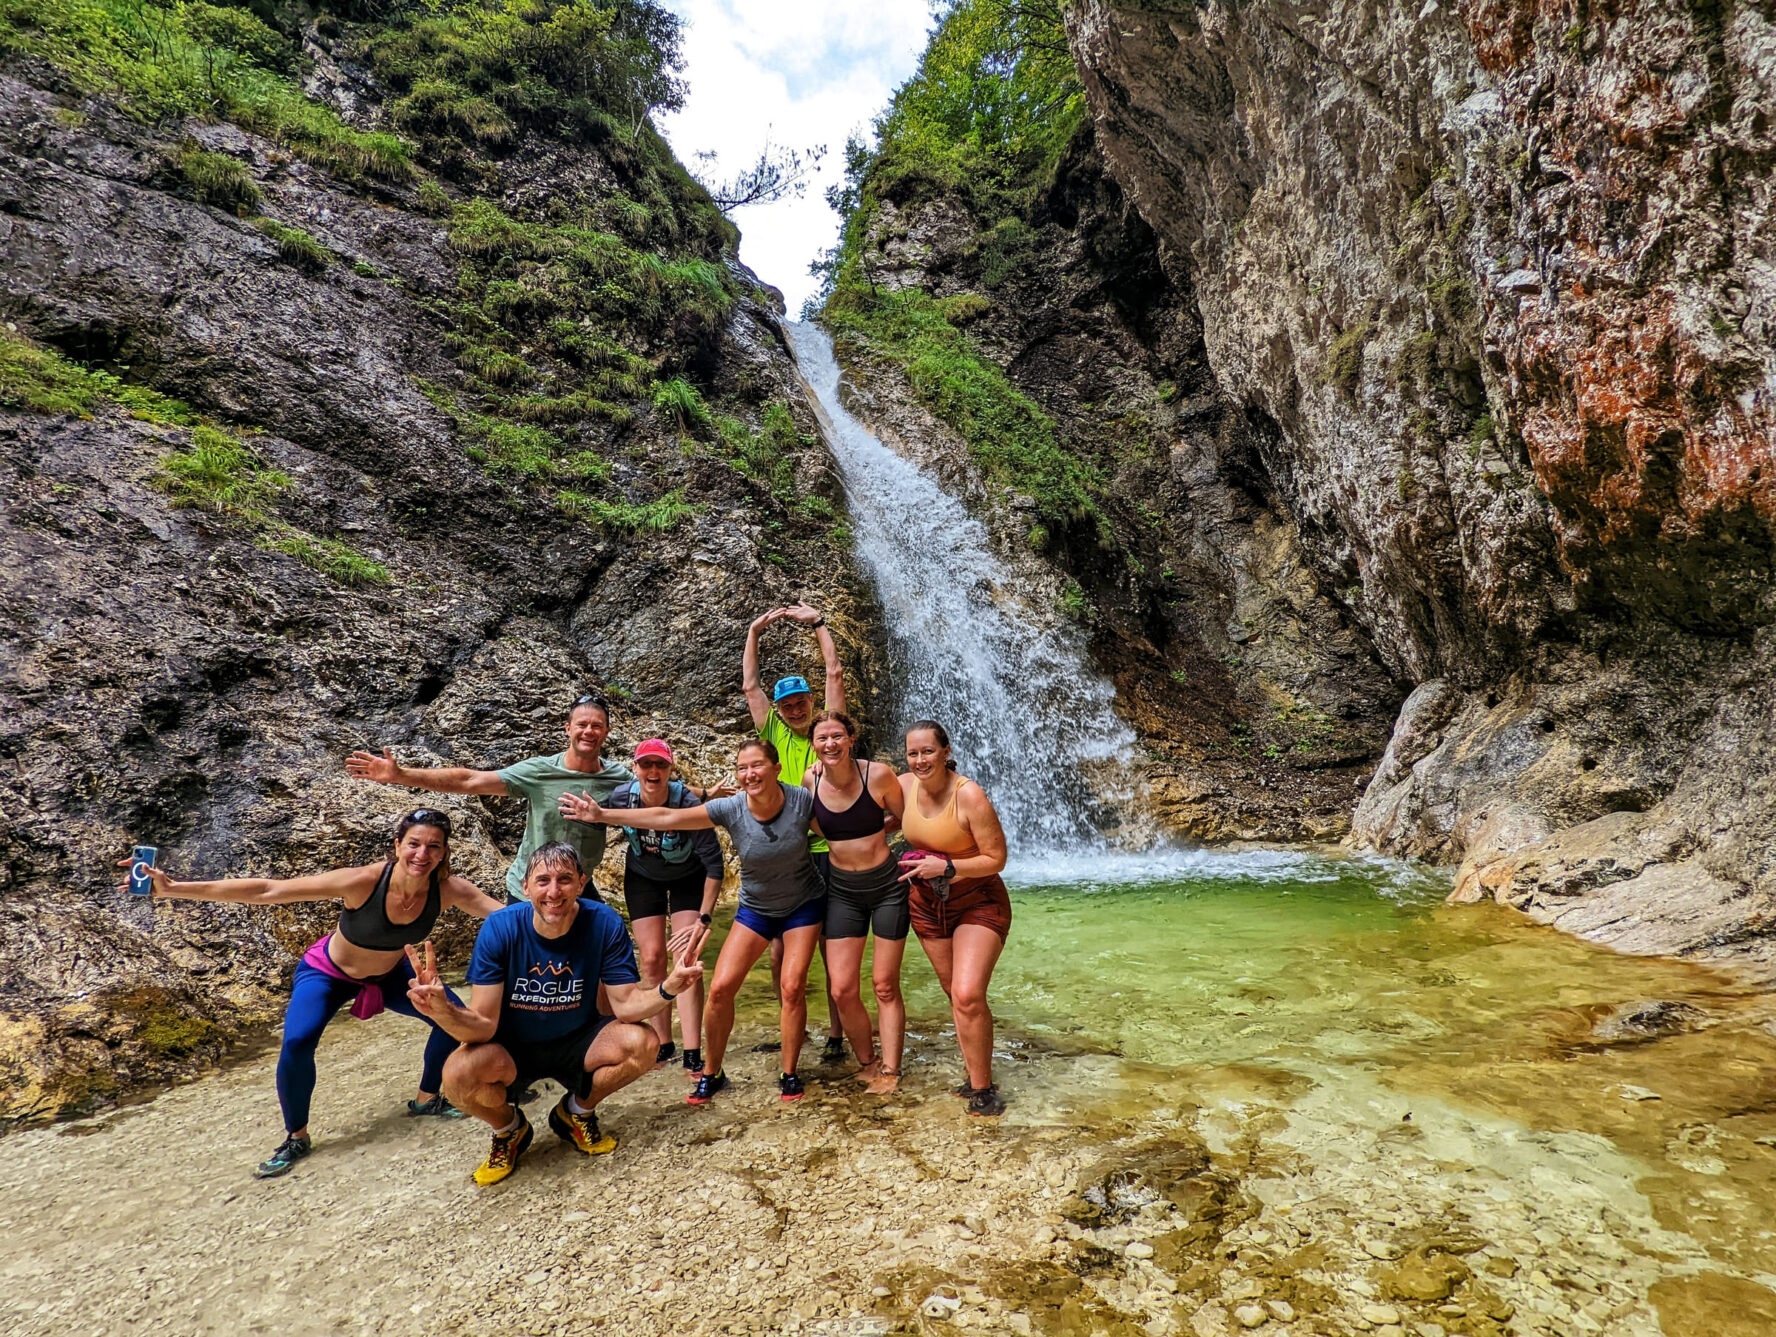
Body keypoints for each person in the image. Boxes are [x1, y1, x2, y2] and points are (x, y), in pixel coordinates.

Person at [119, 810, 503, 1177]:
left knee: (454, 1020)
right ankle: (296, 1137)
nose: (423, 854)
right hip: (330, 972)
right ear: (397, 844)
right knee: (298, 1041)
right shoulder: (363, 881)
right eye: (414, 844)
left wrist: (559, 916)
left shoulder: (450, 890)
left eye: (434, 846)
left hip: (392, 973)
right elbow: (270, 890)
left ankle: (425, 1099)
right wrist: (174, 889)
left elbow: (506, 916)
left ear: (444, 852)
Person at [407, 842, 706, 1185]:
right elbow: (483, 1026)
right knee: (457, 1075)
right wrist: (442, 1010)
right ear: (525, 887)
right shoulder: (500, 928)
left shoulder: (603, 922)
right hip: (511, 1048)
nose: (553, 891)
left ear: (581, 883)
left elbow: (625, 1006)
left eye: (564, 879)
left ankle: (575, 1112)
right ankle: (509, 1130)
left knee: (643, 1043)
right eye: (543, 880)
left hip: (579, 1041)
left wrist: (669, 986)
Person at [562, 738, 825, 1106]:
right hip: (756, 908)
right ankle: (712, 1071)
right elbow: (667, 817)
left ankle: (789, 1071)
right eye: (742, 767)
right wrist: (603, 815)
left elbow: (838, 833)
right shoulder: (731, 807)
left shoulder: (800, 800)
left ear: (776, 768)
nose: (749, 774)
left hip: (802, 904)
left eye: (757, 765)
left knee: (792, 986)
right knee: (719, 990)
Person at [346, 695, 638, 904]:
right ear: (568, 728)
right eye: (582, 724)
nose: (589, 731)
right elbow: (471, 781)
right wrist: (401, 774)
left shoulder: (618, 778)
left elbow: (657, 802)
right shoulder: (540, 771)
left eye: (597, 726)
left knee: (599, 963)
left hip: (578, 883)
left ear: (607, 732)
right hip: (531, 888)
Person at [743, 602, 847, 1062]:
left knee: (831, 947)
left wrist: (820, 624)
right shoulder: (773, 733)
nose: (797, 708)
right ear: (780, 710)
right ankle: (794, 1024)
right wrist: (753, 633)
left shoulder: (829, 732)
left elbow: (836, 674)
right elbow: (749, 686)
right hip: (789, 852)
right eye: (788, 704)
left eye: (802, 700)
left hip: (829, 850)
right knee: (778, 951)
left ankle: (837, 1034)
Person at [896, 720, 1012, 1117]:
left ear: (946, 751)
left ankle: (982, 1088)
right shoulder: (903, 786)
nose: (920, 759)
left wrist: (945, 866)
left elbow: (996, 858)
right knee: (956, 995)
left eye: (928, 751)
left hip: (977, 899)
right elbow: (863, 801)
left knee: (967, 994)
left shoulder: (969, 796)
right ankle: (974, 1070)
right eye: (913, 753)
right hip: (927, 907)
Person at [601, 738, 724, 1075]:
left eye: (660, 764)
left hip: (689, 876)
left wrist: (705, 917)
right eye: (646, 764)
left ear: (670, 770)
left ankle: (692, 1051)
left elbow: (715, 865)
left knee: (686, 957)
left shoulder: (686, 803)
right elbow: (589, 820)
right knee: (652, 956)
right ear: (635, 767)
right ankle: (662, 1043)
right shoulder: (621, 798)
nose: (653, 771)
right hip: (643, 875)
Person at [803, 710, 909, 1095]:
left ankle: (892, 1070)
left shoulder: (878, 775)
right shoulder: (809, 782)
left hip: (886, 887)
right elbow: (817, 826)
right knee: (842, 988)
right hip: (842, 890)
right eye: (822, 738)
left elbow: (903, 817)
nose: (830, 744)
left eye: (837, 736)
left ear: (850, 739)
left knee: (884, 984)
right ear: (814, 745)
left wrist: (873, 831)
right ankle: (867, 1062)